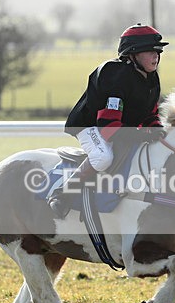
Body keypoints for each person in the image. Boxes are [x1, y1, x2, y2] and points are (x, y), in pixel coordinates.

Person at [48, 23, 168, 218]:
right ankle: (62, 194)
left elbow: (151, 113)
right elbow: (108, 127)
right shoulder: (116, 75)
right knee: (103, 157)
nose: (156, 56)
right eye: (150, 51)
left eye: (158, 51)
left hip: (118, 126)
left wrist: (156, 128)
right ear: (133, 54)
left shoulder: (152, 78)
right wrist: (140, 134)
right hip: (91, 125)